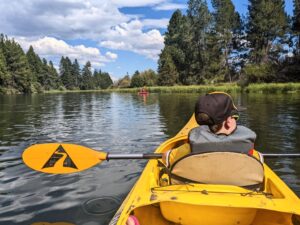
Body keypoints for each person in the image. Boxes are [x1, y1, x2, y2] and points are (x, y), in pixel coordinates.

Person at [164, 91, 259, 168]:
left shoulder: (188, 148)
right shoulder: (248, 149)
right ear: (228, 122)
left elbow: (166, 157)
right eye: (235, 116)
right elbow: (260, 160)